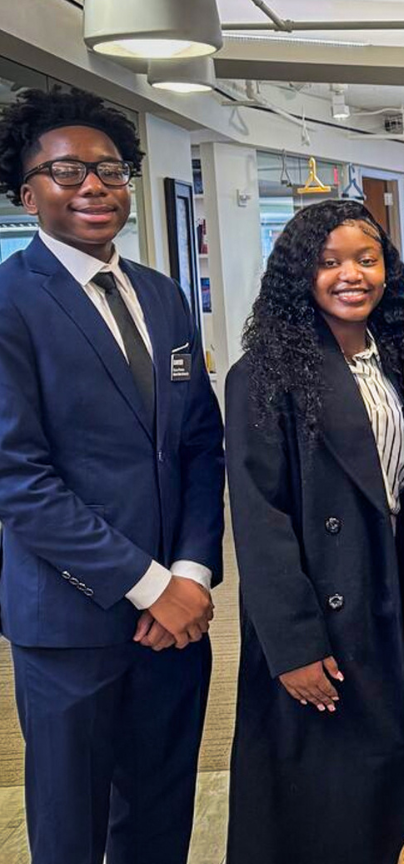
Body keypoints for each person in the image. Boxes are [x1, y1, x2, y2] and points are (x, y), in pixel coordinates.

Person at [0, 88, 224, 864]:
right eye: (66, 171)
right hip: (71, 624)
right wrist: (147, 583)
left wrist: (189, 575)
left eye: (109, 169)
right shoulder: (8, 302)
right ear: (27, 193)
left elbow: (199, 446)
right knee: (70, 831)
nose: (93, 185)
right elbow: (16, 478)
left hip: (176, 622)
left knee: (160, 818)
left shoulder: (162, 295)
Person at [224, 200, 404, 862]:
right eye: (328, 263)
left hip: (394, 600)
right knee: (330, 806)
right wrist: (293, 647)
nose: (351, 274)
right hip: (321, 615)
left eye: (366, 258)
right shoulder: (263, 375)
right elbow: (258, 518)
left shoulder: (401, 361)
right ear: (300, 275)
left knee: (397, 784)